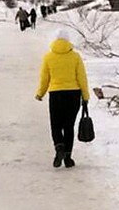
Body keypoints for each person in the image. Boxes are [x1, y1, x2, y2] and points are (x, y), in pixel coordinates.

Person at [35, 27, 90, 168]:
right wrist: (85, 96)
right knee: (69, 126)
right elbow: (82, 77)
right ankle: (68, 158)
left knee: (56, 125)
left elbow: (44, 78)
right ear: (68, 41)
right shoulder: (75, 57)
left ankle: (59, 147)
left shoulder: (48, 57)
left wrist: (40, 93)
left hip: (56, 94)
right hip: (73, 94)